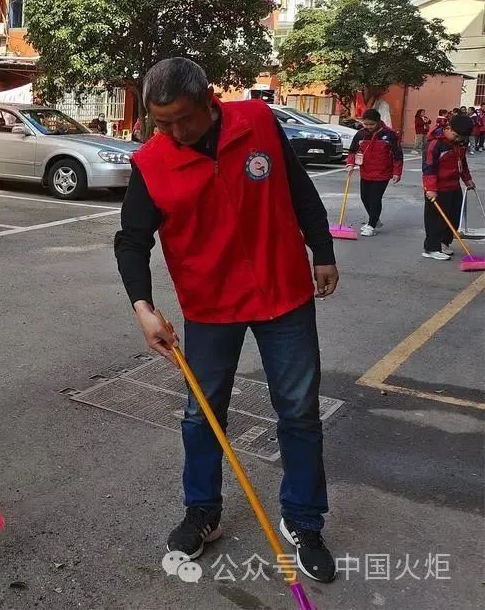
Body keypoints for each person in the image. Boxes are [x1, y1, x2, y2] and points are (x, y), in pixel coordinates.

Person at [115, 58, 339, 583]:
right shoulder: (153, 162)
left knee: (299, 412)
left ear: (210, 99)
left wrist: (322, 250)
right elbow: (132, 239)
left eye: (182, 120)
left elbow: (299, 188)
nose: (173, 133)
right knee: (202, 415)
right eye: (160, 122)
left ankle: (303, 520)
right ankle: (203, 512)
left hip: (283, 293)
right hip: (210, 305)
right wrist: (143, 308)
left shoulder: (259, 122)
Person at [421, 113, 475, 260]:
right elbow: (428, 168)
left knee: (453, 217)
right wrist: (431, 188)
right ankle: (431, 248)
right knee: (435, 219)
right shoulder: (435, 144)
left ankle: (444, 242)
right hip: (437, 189)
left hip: (454, 186)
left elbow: (462, 163)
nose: (459, 140)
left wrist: (467, 180)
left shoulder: (459, 143)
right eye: (457, 136)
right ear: (449, 128)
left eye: (462, 138)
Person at [346, 108, 403, 236]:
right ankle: (375, 220)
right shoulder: (360, 134)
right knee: (364, 197)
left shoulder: (390, 134)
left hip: (383, 172)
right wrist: (350, 163)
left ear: (378, 121)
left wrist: (397, 172)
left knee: (375, 198)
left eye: (372, 124)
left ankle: (371, 225)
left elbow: (397, 154)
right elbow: (352, 151)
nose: (369, 127)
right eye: (366, 124)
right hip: (365, 171)